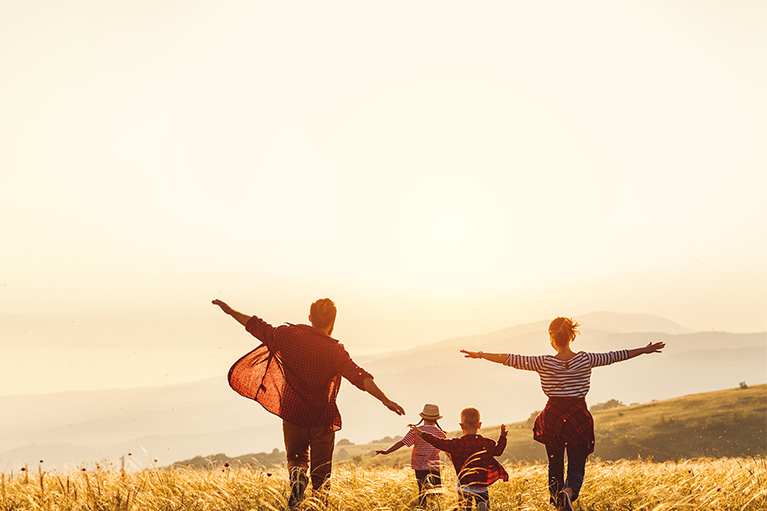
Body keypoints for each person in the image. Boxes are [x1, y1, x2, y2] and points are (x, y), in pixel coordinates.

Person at [212, 298, 405, 508]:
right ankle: (319, 505)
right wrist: (385, 399)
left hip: (293, 413)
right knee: (322, 471)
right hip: (322, 418)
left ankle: (297, 482)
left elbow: (256, 325)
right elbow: (358, 375)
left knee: (296, 460)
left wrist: (230, 311)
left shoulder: (286, 336)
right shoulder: (334, 350)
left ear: (310, 318)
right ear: (333, 321)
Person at [461, 317, 665, 511]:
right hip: (578, 416)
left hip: (553, 418)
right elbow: (616, 355)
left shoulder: (543, 362)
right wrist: (644, 350)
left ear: (552, 339)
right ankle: (568, 492)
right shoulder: (586, 359)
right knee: (577, 463)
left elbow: (510, 359)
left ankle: (557, 501)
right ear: (572, 336)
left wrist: (480, 354)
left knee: (554, 462)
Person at [412, 407, 508, 511]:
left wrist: (422, 434)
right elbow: (498, 451)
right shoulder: (487, 443)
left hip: (464, 485)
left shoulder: (456, 444)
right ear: (479, 425)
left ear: (461, 426)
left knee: (464, 507)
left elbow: (438, 442)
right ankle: (482, 505)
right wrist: (502, 437)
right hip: (482, 485)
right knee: (483, 502)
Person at [376, 403, 448, 508]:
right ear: (436, 419)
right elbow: (448, 450)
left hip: (419, 465)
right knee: (437, 490)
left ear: (423, 417)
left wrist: (387, 451)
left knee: (421, 490)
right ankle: (435, 507)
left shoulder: (415, 431)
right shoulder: (440, 433)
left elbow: (402, 442)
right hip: (434, 466)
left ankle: (423, 507)